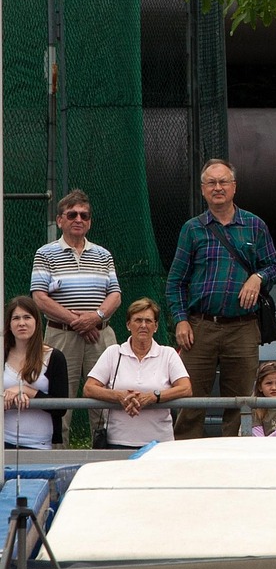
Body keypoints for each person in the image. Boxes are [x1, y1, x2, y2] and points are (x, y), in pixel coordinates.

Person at [166, 158, 276, 438]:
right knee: (191, 401)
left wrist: (258, 277)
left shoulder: (255, 225)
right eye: (211, 183)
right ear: (203, 190)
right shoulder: (192, 229)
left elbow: (274, 267)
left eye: (223, 182)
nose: (218, 188)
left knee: (241, 403)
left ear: (234, 187)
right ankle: (183, 460)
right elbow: (175, 282)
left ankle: (234, 460)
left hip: (243, 328)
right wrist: (181, 321)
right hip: (200, 327)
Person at [30, 189, 122, 446]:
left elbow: (115, 295)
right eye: (72, 214)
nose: (78, 219)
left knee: (105, 400)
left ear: (90, 221)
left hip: (101, 336)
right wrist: (77, 321)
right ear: (60, 220)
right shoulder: (45, 254)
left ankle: (106, 459)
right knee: (61, 402)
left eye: (84, 215)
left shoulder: (103, 255)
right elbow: (39, 298)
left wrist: (96, 317)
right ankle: (59, 460)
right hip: (61, 336)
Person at [84, 297, 191, 449]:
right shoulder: (114, 353)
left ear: (156, 326)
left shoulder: (168, 354)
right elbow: (89, 388)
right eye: (138, 320)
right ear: (128, 325)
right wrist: (119, 396)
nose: (143, 325)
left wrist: (153, 397)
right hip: (117, 442)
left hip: (160, 445)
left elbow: (186, 388)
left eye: (148, 321)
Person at [3, 295, 68, 450]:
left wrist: (26, 390)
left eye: (27, 317)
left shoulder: (54, 357)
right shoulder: (1, 354)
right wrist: (6, 395)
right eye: (16, 318)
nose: (22, 323)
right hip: (3, 442)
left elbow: (61, 407)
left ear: (36, 322)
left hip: (39, 444)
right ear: (9, 324)